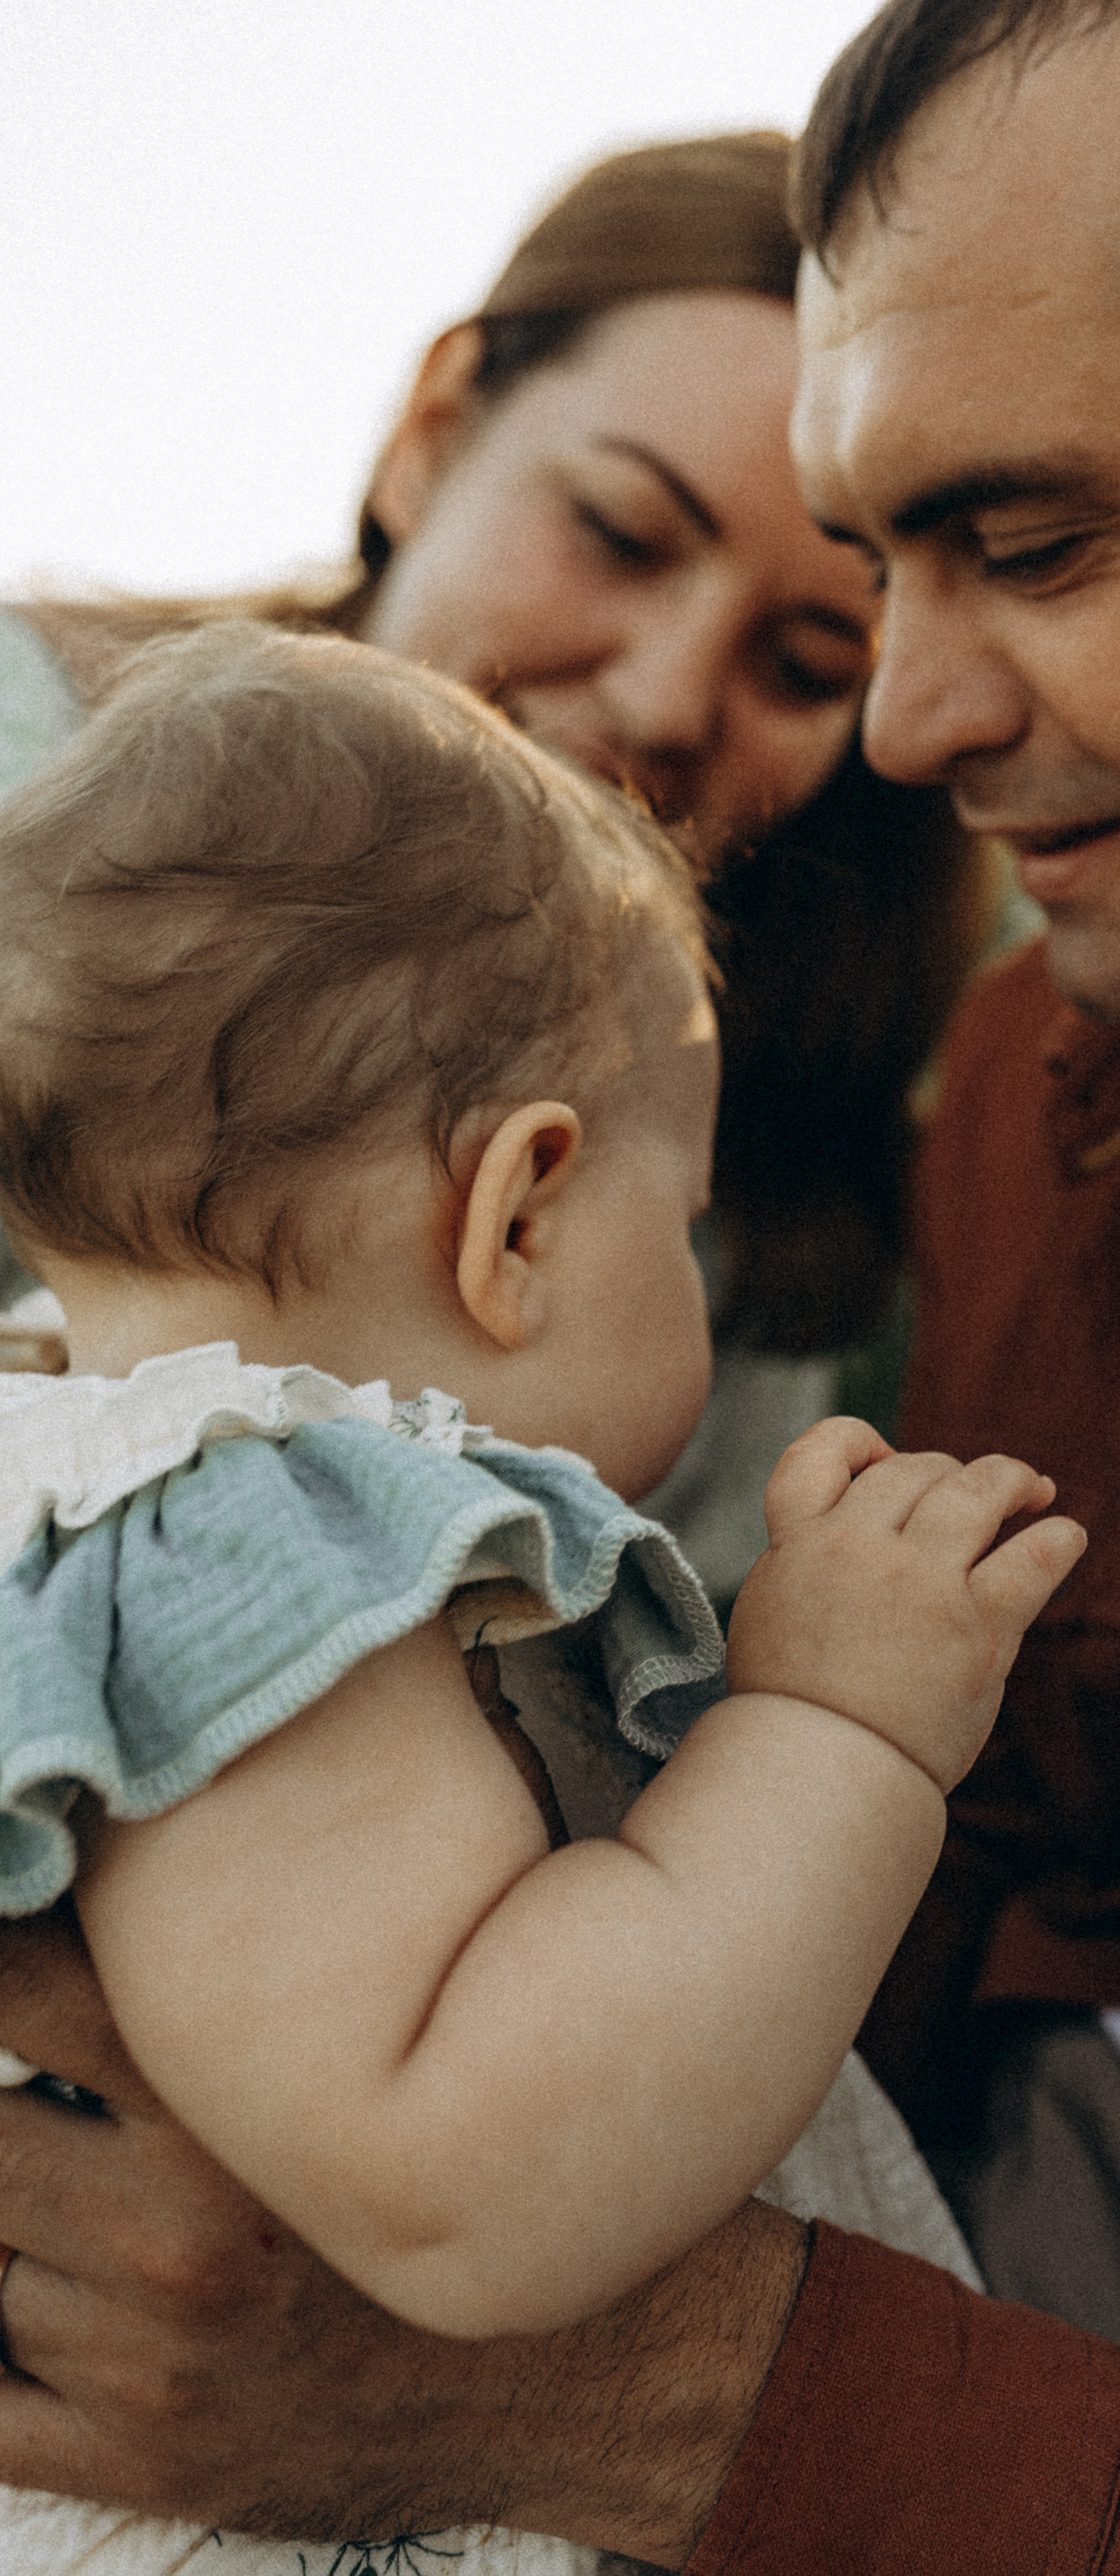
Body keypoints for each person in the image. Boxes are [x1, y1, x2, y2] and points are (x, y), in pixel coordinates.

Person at [6, 0, 1120, 2576]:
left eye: (1032, 544)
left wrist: (590, 2379)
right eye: (882, 577)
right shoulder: (1054, 1074)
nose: (905, 725)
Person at [0, 620, 1079, 2576]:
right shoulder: (258, 1557)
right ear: (518, 1217)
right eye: (683, 1223)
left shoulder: (78, 1476)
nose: (699, 1269)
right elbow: (466, 2184)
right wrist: (838, 1725)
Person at [1, 129, 985, 1607]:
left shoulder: (737, 1112)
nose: (666, 700)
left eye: (806, 663)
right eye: (620, 534)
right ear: (434, 432)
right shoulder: (30, 788)